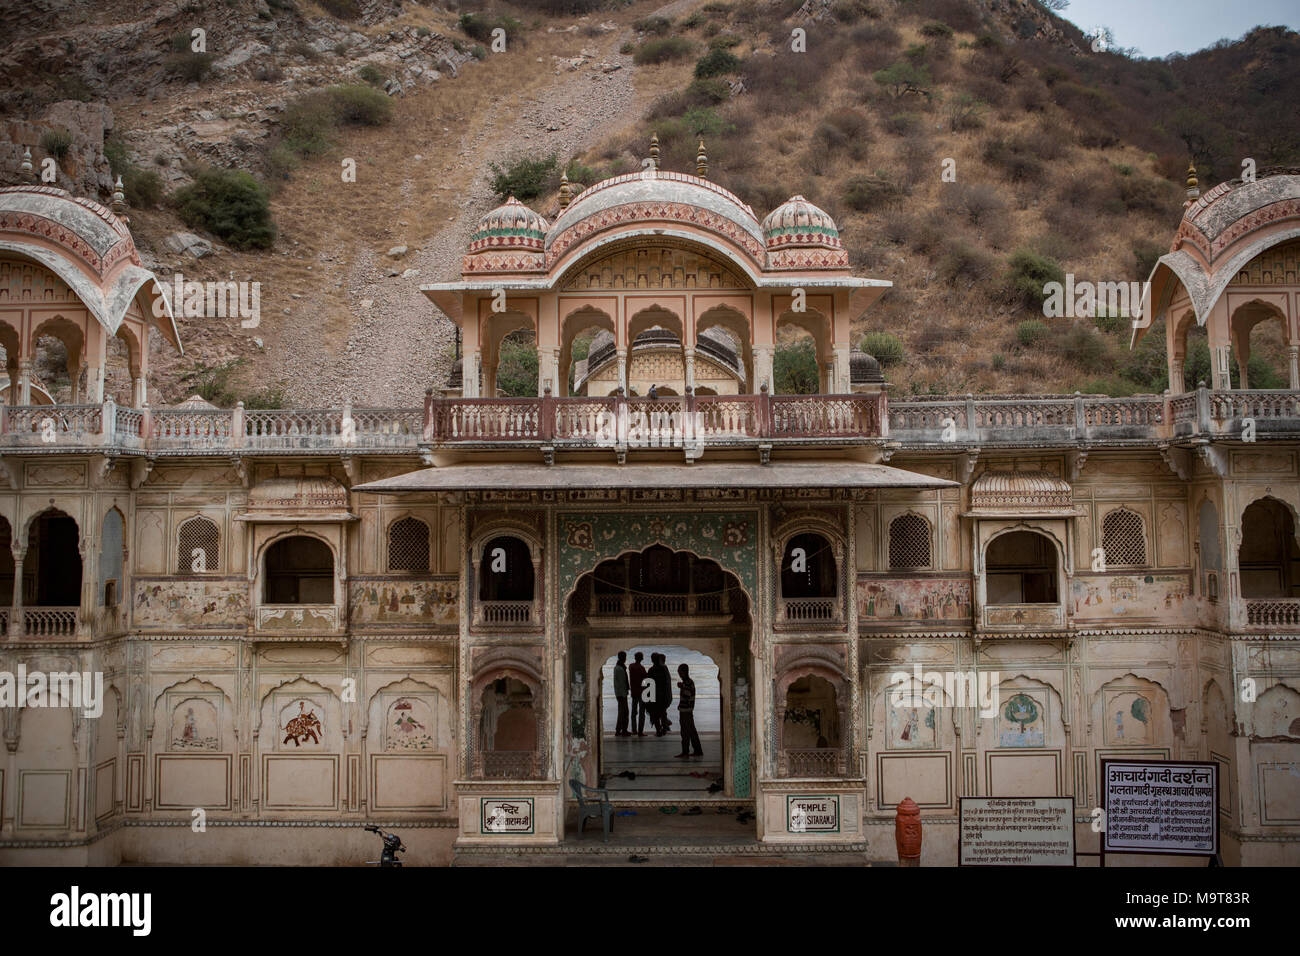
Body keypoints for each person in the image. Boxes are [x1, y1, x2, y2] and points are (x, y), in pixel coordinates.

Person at [675, 663, 703, 758]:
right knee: (691, 731)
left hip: (686, 711)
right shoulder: (688, 682)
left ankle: (685, 752)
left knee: (685, 732)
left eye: (680, 672)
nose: (679, 674)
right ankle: (697, 750)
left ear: (684, 672)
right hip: (687, 710)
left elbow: (687, 695)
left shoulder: (687, 683)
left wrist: (682, 687)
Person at [648, 653, 673, 736]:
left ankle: (659, 730)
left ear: (652, 660)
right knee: (662, 713)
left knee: (656, 714)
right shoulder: (664, 668)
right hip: (663, 696)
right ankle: (664, 730)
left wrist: (649, 698)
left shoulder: (651, 670)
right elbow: (668, 682)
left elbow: (649, 685)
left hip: (656, 696)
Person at [628, 651, 647, 736]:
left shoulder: (631, 666)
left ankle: (634, 730)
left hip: (634, 692)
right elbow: (645, 679)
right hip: (641, 692)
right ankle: (640, 731)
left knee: (633, 712)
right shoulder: (642, 668)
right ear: (641, 658)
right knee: (642, 713)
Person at [613, 651, 630, 737]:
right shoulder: (620, 668)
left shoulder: (619, 667)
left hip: (621, 694)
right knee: (624, 712)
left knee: (622, 712)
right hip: (621, 694)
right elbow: (621, 683)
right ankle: (622, 730)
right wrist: (623, 694)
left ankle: (620, 729)